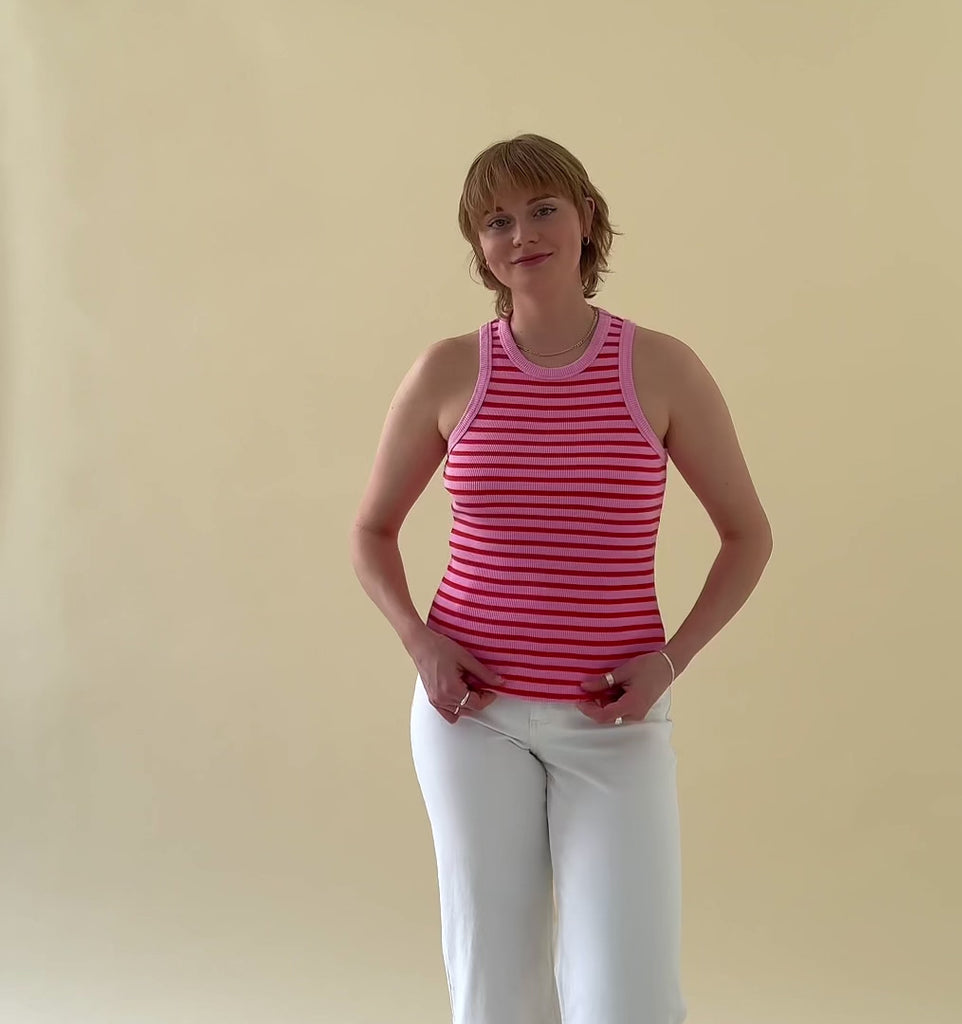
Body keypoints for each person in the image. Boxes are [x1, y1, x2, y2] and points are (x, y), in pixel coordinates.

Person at [350, 133, 773, 1024]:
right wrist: (421, 644)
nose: (522, 234)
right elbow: (372, 531)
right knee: (495, 989)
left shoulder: (660, 367)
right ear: (479, 249)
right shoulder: (450, 371)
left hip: (615, 721)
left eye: (542, 209)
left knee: (628, 998)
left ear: (586, 218)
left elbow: (746, 536)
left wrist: (673, 658)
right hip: (471, 720)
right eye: (496, 221)